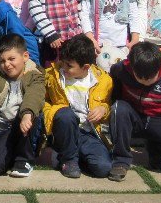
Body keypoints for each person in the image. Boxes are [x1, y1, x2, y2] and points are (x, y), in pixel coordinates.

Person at [107, 42, 161, 181]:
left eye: (149, 78)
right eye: (139, 77)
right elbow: (114, 78)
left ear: (159, 67)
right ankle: (121, 160)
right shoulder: (121, 69)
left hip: (159, 119)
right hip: (134, 116)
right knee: (119, 108)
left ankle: (155, 150)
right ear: (132, 67)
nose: (144, 81)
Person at [0, 33, 44, 177]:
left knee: (34, 115)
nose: (7, 64)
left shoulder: (35, 74)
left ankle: (24, 159)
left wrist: (27, 114)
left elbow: (34, 95)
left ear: (25, 56)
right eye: (2, 61)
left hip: (24, 126)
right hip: (3, 128)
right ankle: (10, 155)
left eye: (12, 59)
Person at [43, 35, 113, 179]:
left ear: (85, 67)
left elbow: (107, 106)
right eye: (63, 62)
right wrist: (54, 111)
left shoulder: (103, 80)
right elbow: (44, 102)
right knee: (66, 114)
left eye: (70, 66)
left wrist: (103, 110)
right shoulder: (52, 75)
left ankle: (72, 155)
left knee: (103, 168)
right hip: (64, 129)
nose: (64, 67)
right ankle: (69, 159)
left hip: (88, 133)